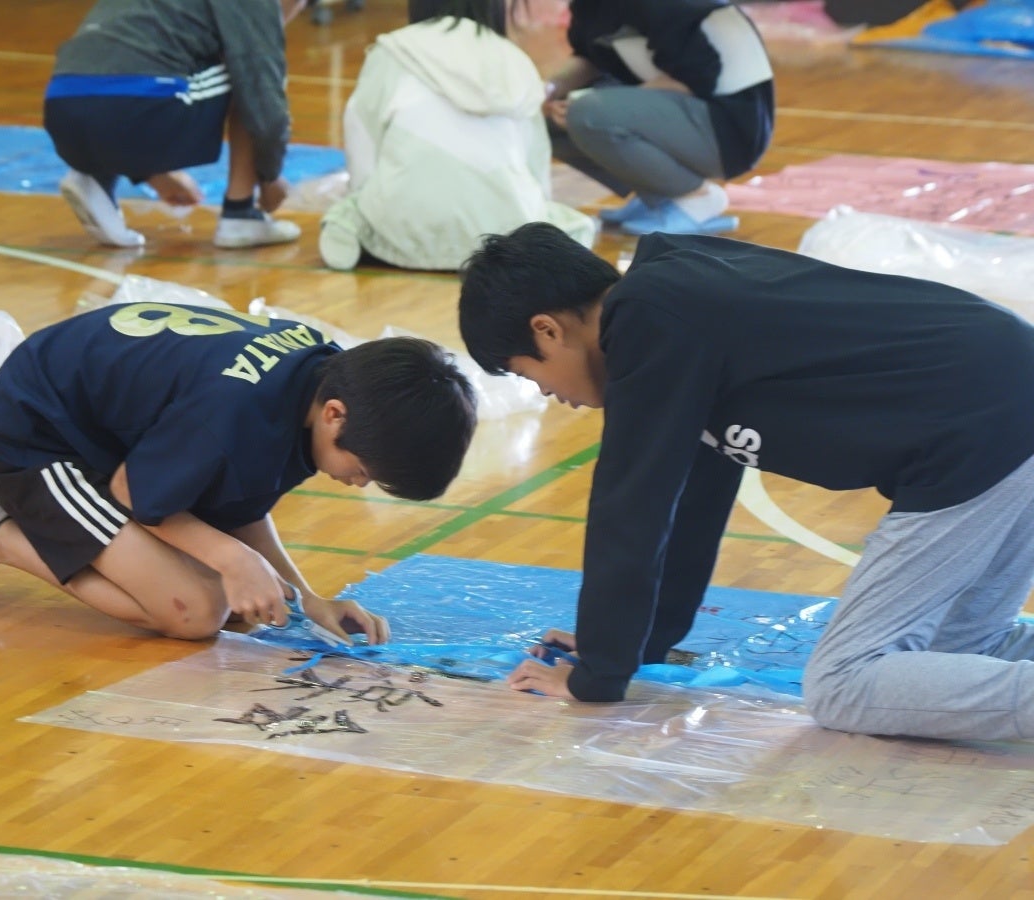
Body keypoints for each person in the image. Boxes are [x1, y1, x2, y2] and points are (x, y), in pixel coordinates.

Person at [458, 221, 1034, 743]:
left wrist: (597, 678)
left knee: (844, 685)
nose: (545, 393)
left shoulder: (647, 319)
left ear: (548, 330)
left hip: (983, 427)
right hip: (1005, 399)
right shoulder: (673, 306)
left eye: (524, 372)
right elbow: (693, 504)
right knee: (950, 655)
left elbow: (629, 508)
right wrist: (635, 645)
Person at [0, 302, 477, 646]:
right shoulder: (231, 416)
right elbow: (134, 491)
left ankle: (24, 526)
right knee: (195, 611)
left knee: (244, 601)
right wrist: (232, 560)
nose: (360, 483)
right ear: (335, 416)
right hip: (33, 437)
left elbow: (243, 502)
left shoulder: (319, 381)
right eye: (366, 470)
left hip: (110, 440)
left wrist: (306, 599)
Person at [317, 0, 596, 272]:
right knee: (554, 219)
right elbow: (535, 160)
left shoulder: (394, 50)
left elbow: (362, 138)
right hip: (503, 237)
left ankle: (349, 229)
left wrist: (361, 202)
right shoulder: (513, 59)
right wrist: (537, 211)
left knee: (354, 209)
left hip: (400, 232)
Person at [43, 0, 307, 250]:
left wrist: (153, 173)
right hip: (134, 109)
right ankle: (240, 213)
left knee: (138, 73)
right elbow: (260, 92)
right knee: (253, 71)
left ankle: (97, 174)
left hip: (61, 114)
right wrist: (269, 174)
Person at [544, 0, 774, 236]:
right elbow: (590, 56)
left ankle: (697, 198)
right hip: (682, 107)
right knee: (546, 120)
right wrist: (550, 88)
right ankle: (660, 197)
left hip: (730, 128)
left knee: (588, 114)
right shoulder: (589, 6)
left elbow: (693, 78)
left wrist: (589, 101)